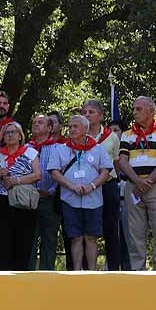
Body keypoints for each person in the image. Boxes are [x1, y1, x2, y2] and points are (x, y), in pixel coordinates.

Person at [115, 96, 156, 271]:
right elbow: (123, 161)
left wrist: (147, 181)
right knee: (135, 232)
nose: (134, 113)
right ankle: (137, 271)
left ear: (151, 111)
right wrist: (137, 181)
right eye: (134, 109)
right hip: (134, 187)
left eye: (138, 109)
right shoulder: (127, 135)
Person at [48, 115, 113, 271]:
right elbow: (54, 172)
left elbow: (106, 172)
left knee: (91, 237)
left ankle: (92, 272)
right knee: (75, 237)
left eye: (75, 126)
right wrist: (71, 186)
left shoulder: (97, 149)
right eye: (70, 127)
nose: (71, 130)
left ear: (85, 129)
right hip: (70, 199)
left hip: (93, 199)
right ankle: (77, 272)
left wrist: (92, 185)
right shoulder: (61, 149)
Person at [0, 121, 41, 271]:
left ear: (20, 135)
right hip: (1, 202)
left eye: (13, 132)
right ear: (3, 136)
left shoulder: (30, 153)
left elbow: (38, 175)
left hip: (23, 201)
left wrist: (17, 180)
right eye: (7, 132)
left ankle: (21, 275)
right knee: (2, 241)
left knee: (23, 240)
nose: (10, 135)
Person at [82, 99, 127, 270]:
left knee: (111, 230)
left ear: (100, 116)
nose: (87, 115)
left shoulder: (112, 137)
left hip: (107, 187)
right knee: (86, 231)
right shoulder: (80, 136)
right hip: (85, 189)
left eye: (91, 112)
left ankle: (114, 270)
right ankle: (85, 271)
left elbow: (116, 163)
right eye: (84, 112)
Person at [29, 115, 61, 270]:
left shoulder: (58, 148)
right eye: (34, 122)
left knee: (49, 238)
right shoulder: (26, 148)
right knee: (29, 238)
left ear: (49, 128)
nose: (36, 124)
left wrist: (50, 191)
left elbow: (60, 173)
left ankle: (47, 273)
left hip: (49, 199)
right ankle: (27, 273)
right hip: (29, 200)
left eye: (40, 122)